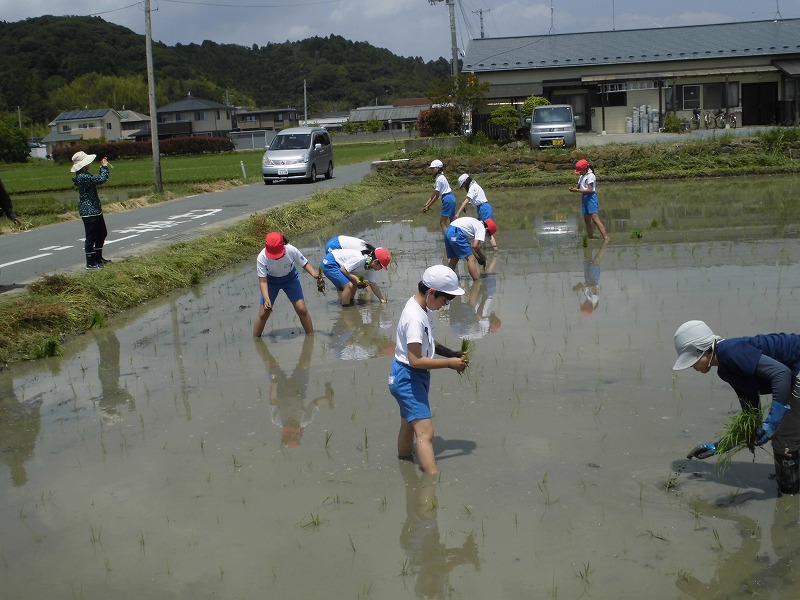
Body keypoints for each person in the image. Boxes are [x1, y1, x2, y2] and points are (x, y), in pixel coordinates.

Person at [673, 320, 800, 495]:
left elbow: (782, 374)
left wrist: (772, 423)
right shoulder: (726, 370)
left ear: (700, 350)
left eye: (691, 361)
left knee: (784, 438)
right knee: (786, 432)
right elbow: (751, 414)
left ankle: (789, 495)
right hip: (794, 372)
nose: (691, 367)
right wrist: (719, 446)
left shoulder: (730, 352)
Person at [388, 265, 469, 475]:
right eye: (445, 300)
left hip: (409, 375)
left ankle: (405, 467)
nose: (445, 305)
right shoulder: (414, 317)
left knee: (408, 424)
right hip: (408, 377)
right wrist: (449, 364)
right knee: (425, 433)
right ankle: (432, 484)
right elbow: (415, 360)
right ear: (432, 292)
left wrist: (452, 353)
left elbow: (429, 342)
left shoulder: (422, 307)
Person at [253, 232, 323, 336]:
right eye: (273, 255)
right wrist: (267, 298)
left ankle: (310, 337)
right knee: (264, 313)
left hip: (290, 279)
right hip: (271, 282)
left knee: (301, 309)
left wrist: (314, 274)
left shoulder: (291, 250)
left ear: (283, 246)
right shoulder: (262, 257)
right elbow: (263, 280)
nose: (276, 258)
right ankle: (256, 339)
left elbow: (304, 263)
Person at [71, 151, 111, 270]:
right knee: (91, 237)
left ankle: (98, 258)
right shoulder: (83, 177)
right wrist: (104, 167)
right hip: (89, 211)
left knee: (102, 233)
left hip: (95, 209)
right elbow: (101, 179)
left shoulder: (84, 174)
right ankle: (90, 262)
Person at [320, 246, 391, 307]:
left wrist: (382, 299)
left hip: (339, 265)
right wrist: (356, 279)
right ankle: (346, 310)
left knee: (354, 284)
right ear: (375, 261)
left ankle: (350, 303)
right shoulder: (360, 259)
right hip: (329, 262)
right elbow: (343, 269)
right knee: (348, 285)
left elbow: (374, 285)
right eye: (381, 267)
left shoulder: (370, 267)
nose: (381, 269)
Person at [444, 216, 497, 282]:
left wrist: (478, 257)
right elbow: (475, 246)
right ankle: (476, 281)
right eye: (487, 234)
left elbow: (469, 246)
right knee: (471, 259)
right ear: (487, 230)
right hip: (457, 233)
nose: (485, 236)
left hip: (449, 231)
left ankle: (446, 279)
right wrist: (482, 257)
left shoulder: (475, 224)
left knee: (454, 258)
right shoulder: (482, 228)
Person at [569, 158, 610, 242]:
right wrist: (574, 189)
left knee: (595, 219)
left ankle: (606, 238)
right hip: (584, 198)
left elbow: (589, 190)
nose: (579, 172)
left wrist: (577, 190)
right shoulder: (582, 176)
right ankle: (590, 237)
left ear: (585, 169)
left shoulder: (591, 176)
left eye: (580, 171)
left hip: (591, 197)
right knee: (587, 220)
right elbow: (578, 187)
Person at [454, 173, 497, 250]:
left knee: (486, 231)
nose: (463, 187)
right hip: (483, 208)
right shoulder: (474, 186)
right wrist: (466, 205)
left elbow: (467, 200)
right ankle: (484, 249)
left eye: (463, 185)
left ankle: (494, 250)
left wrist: (458, 213)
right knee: (482, 230)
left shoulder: (473, 187)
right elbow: (476, 201)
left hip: (484, 209)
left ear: (465, 182)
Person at [572, 239, 608, 315]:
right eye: (584, 306)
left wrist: (576, 288)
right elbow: (594, 286)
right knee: (596, 259)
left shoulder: (587, 298)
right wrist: (582, 287)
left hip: (587, 277)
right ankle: (606, 240)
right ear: (588, 306)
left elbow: (579, 286)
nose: (583, 303)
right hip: (593, 278)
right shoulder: (594, 299)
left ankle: (587, 240)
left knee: (587, 256)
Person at [421, 159, 456, 234]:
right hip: (451, 198)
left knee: (442, 223)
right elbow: (434, 193)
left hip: (447, 199)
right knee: (453, 221)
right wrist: (427, 203)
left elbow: (436, 196)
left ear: (438, 168)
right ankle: (456, 236)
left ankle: (447, 239)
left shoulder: (439, 179)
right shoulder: (440, 177)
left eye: (433, 169)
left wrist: (428, 206)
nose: (432, 170)